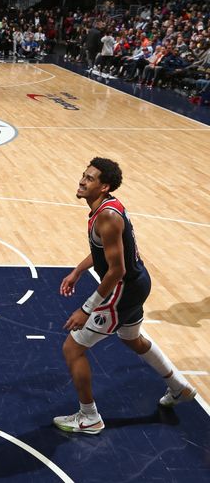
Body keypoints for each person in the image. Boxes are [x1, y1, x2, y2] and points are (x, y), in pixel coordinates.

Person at [54, 157, 197, 434]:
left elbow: (116, 270)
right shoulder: (106, 208)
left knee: (72, 348)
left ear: (104, 186)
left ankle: (89, 416)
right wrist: (78, 271)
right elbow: (104, 252)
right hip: (138, 282)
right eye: (83, 175)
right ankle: (179, 387)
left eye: (91, 178)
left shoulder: (107, 216)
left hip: (124, 287)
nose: (82, 181)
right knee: (132, 338)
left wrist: (86, 309)